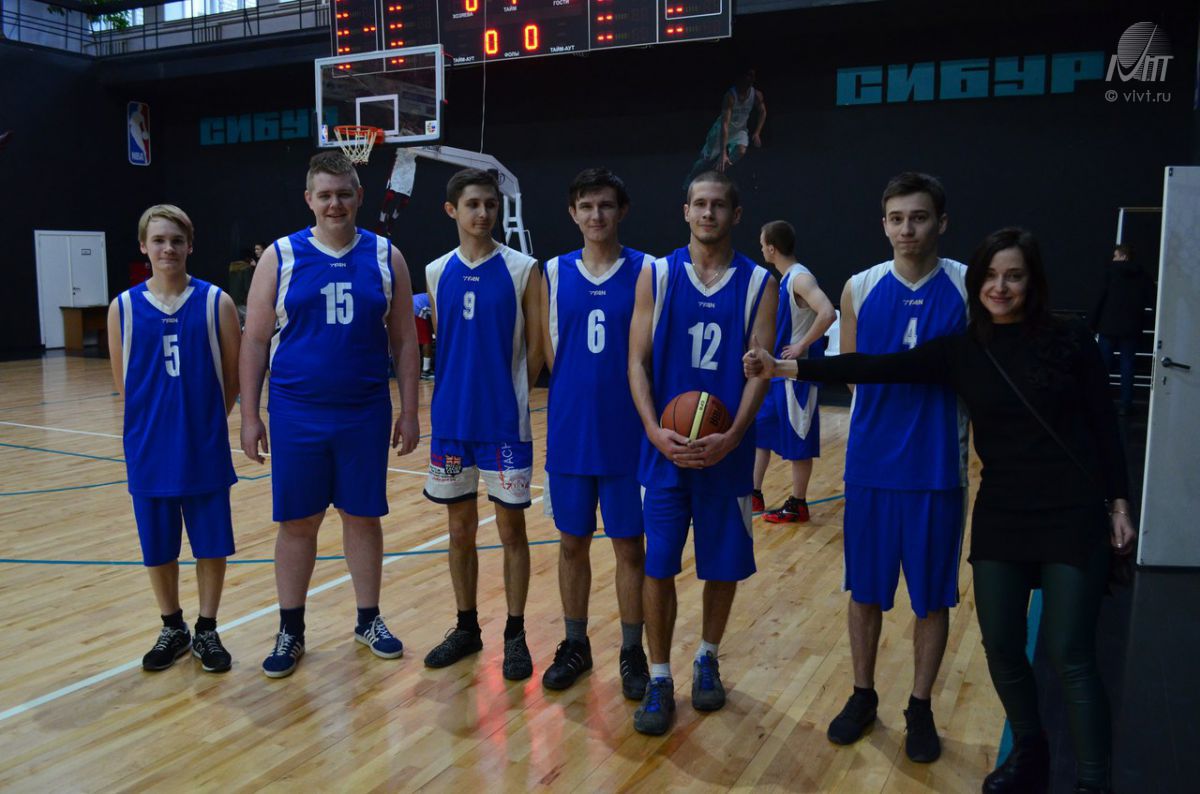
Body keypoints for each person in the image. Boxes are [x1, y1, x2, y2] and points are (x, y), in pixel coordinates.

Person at [745, 226, 1136, 794]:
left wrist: (1119, 501)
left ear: (1034, 281)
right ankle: (1030, 759)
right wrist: (784, 368)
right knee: (1002, 647)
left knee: (1070, 654)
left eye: (1014, 276)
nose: (1000, 287)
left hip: (1071, 512)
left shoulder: (1071, 339)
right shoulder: (964, 348)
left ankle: (1093, 785)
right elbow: (874, 367)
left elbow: (1105, 425)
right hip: (1003, 513)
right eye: (991, 276)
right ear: (978, 284)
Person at [240, 151, 421, 678]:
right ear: (309, 200)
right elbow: (254, 341)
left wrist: (410, 411)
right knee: (298, 521)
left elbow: (405, 341)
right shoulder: (281, 255)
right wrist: (249, 416)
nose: (335, 204)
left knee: (363, 516)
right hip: (296, 412)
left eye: (344, 194)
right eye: (325, 195)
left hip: (364, 410)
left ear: (359, 196)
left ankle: (368, 619)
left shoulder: (387, 256)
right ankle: (291, 629)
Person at [822, 172, 969, 762]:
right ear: (884, 224)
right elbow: (850, 372)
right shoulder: (859, 287)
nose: (908, 229)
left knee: (931, 600)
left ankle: (921, 706)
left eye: (919, 217)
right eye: (897, 218)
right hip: (871, 468)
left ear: (941, 222)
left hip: (937, 470)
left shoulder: (966, 284)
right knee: (864, 592)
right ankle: (863, 695)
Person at [627, 170, 776, 735]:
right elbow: (636, 360)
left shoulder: (760, 283)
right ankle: (659, 676)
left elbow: (760, 370)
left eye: (718, 205)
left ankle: (708, 656)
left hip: (727, 455)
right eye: (699, 204)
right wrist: (653, 430)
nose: (708, 213)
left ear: (735, 215)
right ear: (685, 211)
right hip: (664, 454)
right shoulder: (659, 273)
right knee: (658, 566)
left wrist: (733, 435)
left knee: (722, 567)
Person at [106, 204, 240, 673]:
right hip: (148, 449)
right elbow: (125, 385)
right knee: (158, 547)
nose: (168, 248)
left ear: (190, 245)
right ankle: (172, 626)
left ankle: (207, 628)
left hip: (203, 446)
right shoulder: (123, 308)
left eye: (177, 240)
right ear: (143, 246)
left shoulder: (216, 302)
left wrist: (204, 422)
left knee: (211, 544)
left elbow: (232, 379)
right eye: (159, 240)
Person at [422, 168, 542, 681]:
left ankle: (515, 633)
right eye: (473, 204)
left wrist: (512, 392)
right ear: (452, 209)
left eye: (491, 204)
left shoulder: (523, 268)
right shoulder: (435, 271)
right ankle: (466, 627)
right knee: (459, 530)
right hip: (452, 422)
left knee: (512, 529)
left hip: (504, 424)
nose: (483, 213)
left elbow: (537, 347)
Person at [539, 168, 653, 697]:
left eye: (605, 205)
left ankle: (632, 650)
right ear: (572, 213)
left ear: (622, 210)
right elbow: (549, 355)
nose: (596, 215)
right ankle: (575, 644)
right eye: (586, 206)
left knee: (629, 547)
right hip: (571, 434)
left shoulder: (649, 270)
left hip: (629, 436)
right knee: (572, 543)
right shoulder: (553, 272)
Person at [750, 220, 836, 522]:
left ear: (772, 248)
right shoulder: (785, 279)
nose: (761, 249)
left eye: (763, 244)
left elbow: (828, 312)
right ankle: (754, 494)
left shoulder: (800, 278)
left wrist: (801, 345)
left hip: (797, 376)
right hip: (777, 375)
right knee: (761, 433)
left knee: (799, 442)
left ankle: (798, 503)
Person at [1090, 244, 1154, 415]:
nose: (1113, 258)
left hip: (1108, 326)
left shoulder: (1109, 273)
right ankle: (1126, 404)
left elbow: (1099, 299)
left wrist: (1091, 324)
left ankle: (1100, 402)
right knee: (1127, 366)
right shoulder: (1142, 275)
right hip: (1131, 327)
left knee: (1102, 366)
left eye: (1116, 255)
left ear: (1123, 256)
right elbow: (1153, 300)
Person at [684, 68, 766, 185]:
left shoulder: (756, 95)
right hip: (721, 131)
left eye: (752, 77)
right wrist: (723, 153)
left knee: (741, 150)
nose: (749, 80)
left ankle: (714, 175)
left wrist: (757, 132)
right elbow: (725, 124)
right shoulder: (730, 96)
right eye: (746, 77)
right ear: (740, 79)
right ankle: (691, 177)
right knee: (705, 160)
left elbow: (763, 112)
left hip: (739, 130)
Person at [413, 291, 435, 379]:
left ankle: (415, 369)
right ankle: (426, 370)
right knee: (427, 340)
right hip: (417, 308)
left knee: (416, 340)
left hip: (411, 306)